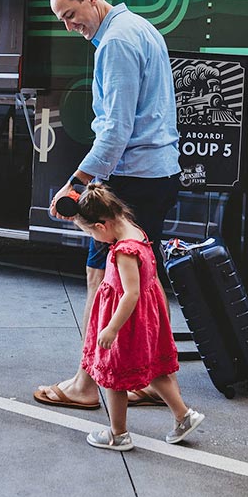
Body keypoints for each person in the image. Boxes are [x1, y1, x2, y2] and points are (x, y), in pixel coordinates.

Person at [33, 0, 182, 411]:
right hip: (156, 175)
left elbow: (116, 130)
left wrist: (76, 184)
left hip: (132, 179)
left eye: (71, 15)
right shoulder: (141, 26)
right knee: (143, 282)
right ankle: (157, 380)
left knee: (102, 280)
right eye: (61, 19)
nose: (68, 26)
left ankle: (84, 383)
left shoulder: (116, 42)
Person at [71, 184, 205, 450]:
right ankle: (184, 416)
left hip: (126, 321)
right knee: (154, 369)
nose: (95, 240)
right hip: (145, 317)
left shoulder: (124, 250)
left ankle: (118, 434)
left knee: (115, 376)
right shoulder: (136, 231)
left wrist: (111, 328)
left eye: (90, 233)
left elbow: (130, 294)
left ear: (101, 226)